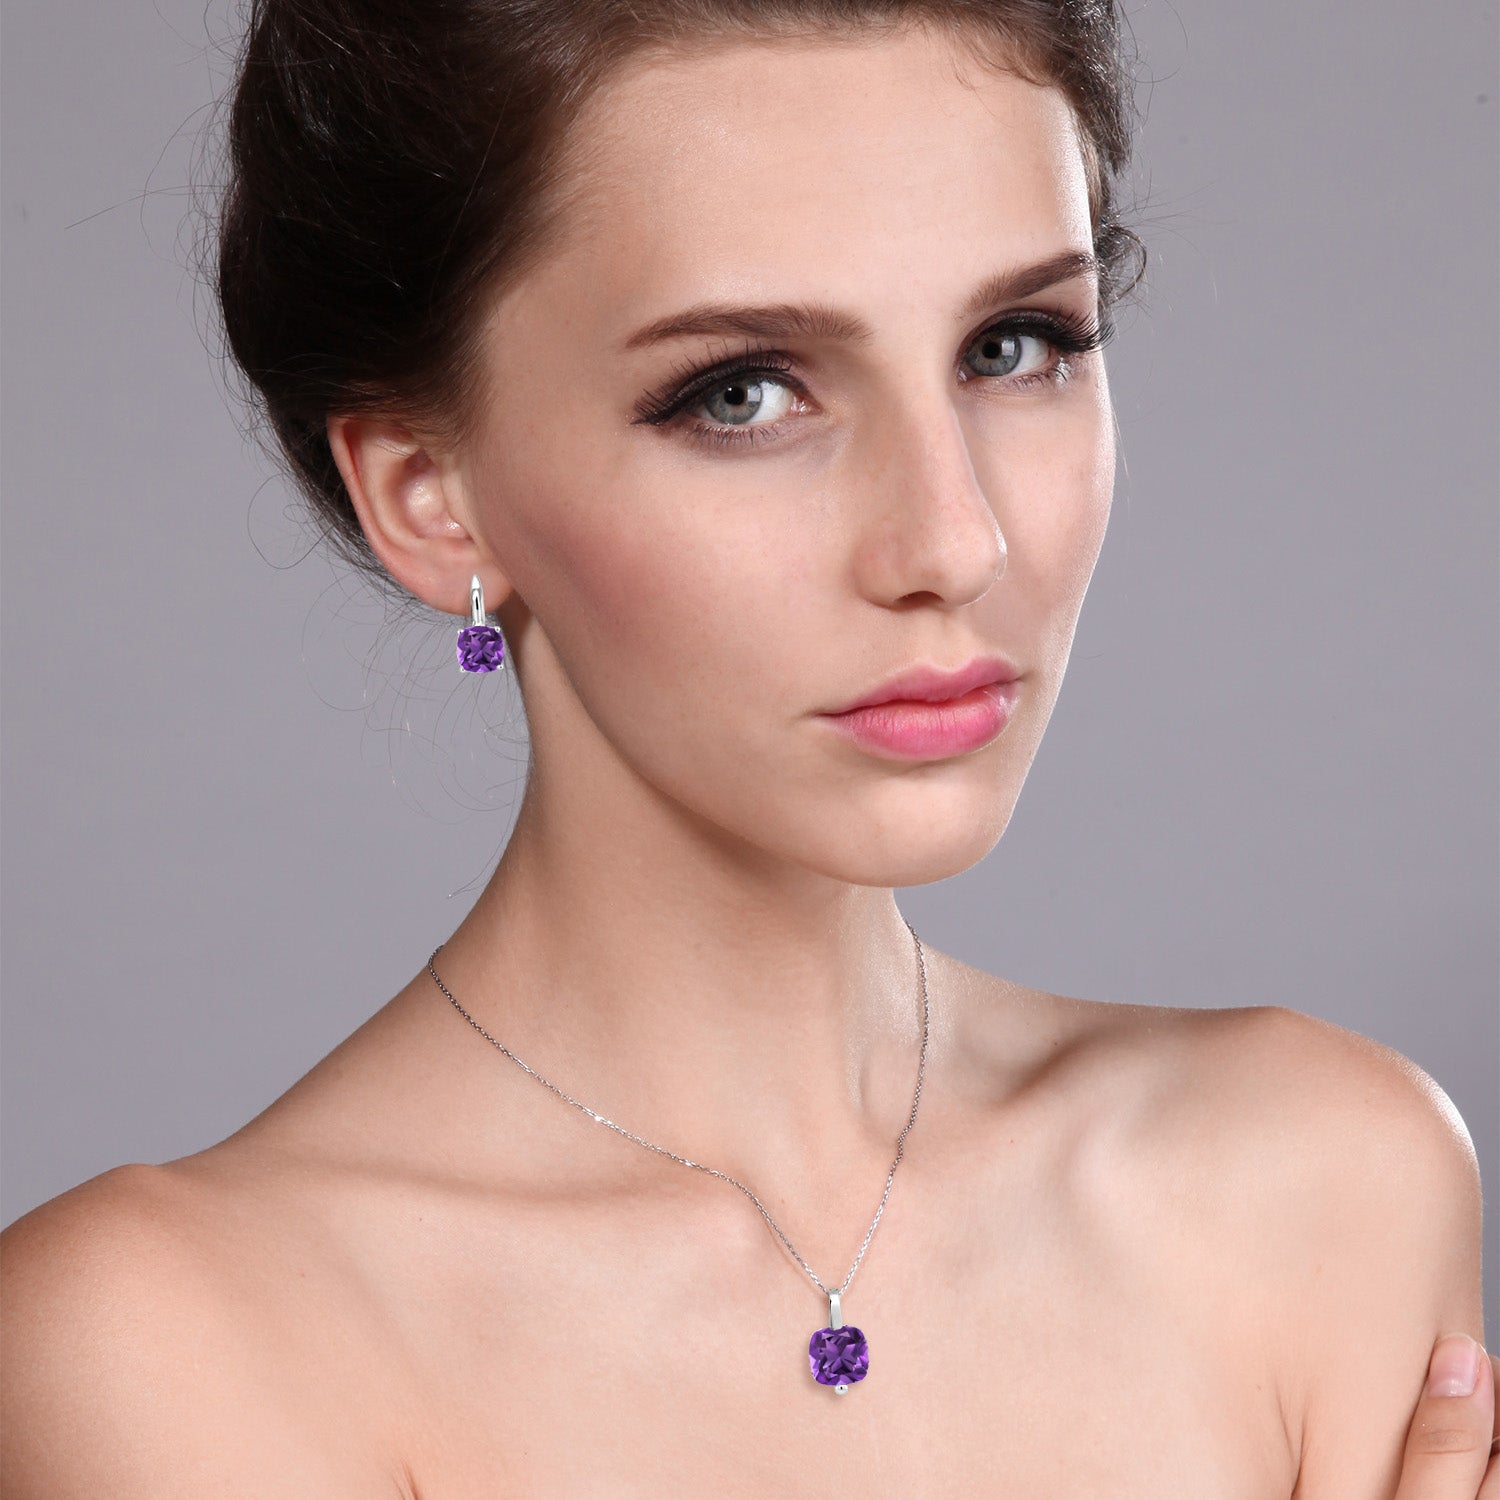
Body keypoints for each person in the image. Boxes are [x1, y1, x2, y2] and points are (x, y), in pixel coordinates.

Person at [1, 0, 1493, 1492]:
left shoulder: (1323, 1185)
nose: (954, 541)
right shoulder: (174, 1340)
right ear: (427, 493)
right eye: (744, 394)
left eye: (1014, 345)